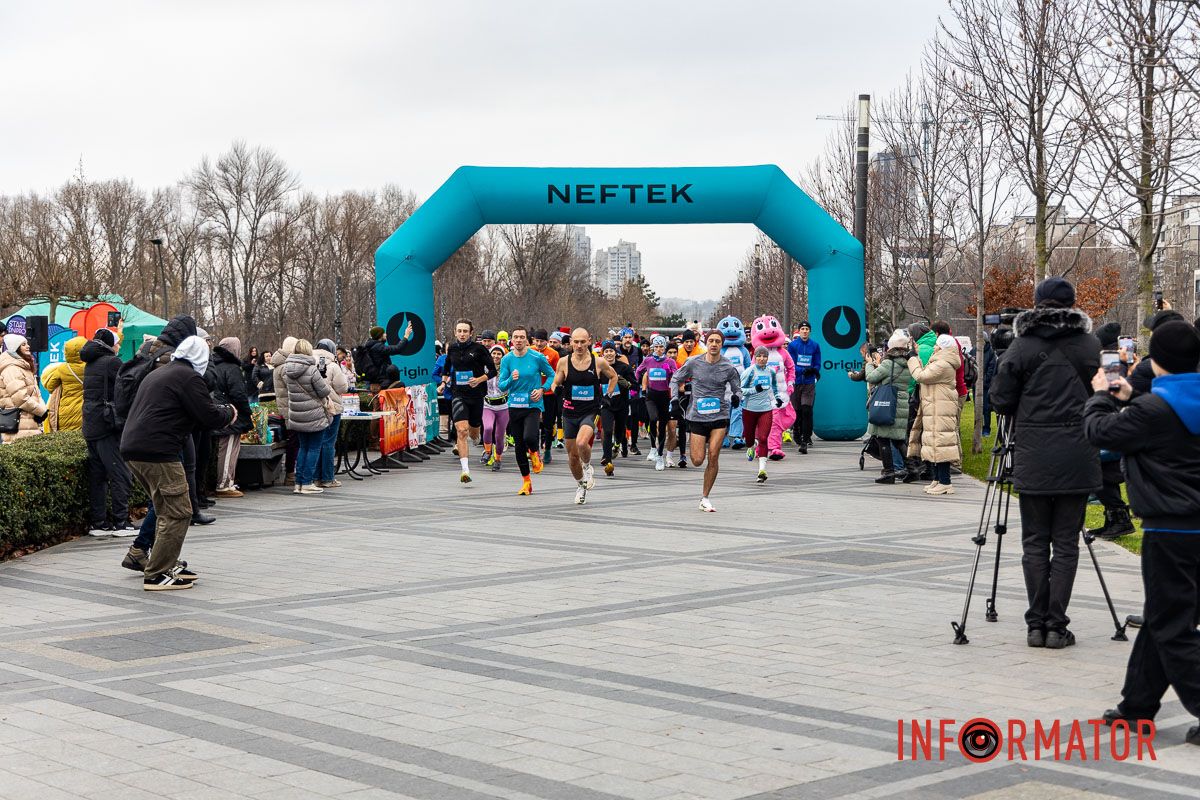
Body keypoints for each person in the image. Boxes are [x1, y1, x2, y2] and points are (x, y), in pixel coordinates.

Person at [1084, 320, 1200, 745]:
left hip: (1171, 527)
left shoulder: (1153, 412)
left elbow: (1099, 434)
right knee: (1165, 616)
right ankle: (1137, 707)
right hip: (1193, 525)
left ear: (1158, 362)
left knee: (1172, 626)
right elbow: (1164, 413)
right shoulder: (1166, 404)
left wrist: (1100, 395)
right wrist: (1131, 398)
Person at [990, 277, 1102, 649]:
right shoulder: (1091, 345)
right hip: (1078, 453)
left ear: (1037, 305)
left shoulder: (1021, 346)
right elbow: (1109, 395)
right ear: (1071, 305)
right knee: (1066, 542)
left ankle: (1036, 625)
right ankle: (1056, 625)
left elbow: (1000, 400)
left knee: (1035, 542)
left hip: (1034, 453)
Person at [120, 335, 235, 590]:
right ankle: (157, 573)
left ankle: (165, 563)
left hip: (135, 449)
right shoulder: (188, 377)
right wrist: (230, 412)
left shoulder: (161, 373)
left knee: (164, 509)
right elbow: (208, 414)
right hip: (159, 451)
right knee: (179, 511)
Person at [671, 331, 742, 511]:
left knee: (714, 455)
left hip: (720, 415)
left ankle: (705, 497)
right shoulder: (694, 363)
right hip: (698, 416)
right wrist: (673, 399)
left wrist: (736, 397)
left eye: (718, 341)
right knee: (697, 460)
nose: (714, 344)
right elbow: (675, 378)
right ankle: (695, 449)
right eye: (711, 341)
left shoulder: (728, 366)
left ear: (721, 345)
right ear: (705, 342)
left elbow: (737, 388)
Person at [548, 328, 618, 505]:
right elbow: (555, 382)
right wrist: (557, 390)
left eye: (582, 342)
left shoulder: (598, 362)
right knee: (572, 457)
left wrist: (608, 396)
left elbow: (614, 376)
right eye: (576, 342)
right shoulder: (564, 362)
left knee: (581, 443)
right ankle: (581, 485)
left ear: (589, 341)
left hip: (590, 410)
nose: (579, 345)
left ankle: (587, 466)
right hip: (569, 411)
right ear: (571, 342)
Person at [80, 328, 136, 536]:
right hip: (107, 424)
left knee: (98, 475)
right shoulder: (112, 362)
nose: (119, 346)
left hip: (91, 422)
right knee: (120, 472)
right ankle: (121, 522)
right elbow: (128, 384)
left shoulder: (90, 361)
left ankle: (99, 523)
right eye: (117, 342)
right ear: (110, 344)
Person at [498, 327, 556, 495]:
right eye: (515, 337)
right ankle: (526, 482)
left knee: (529, 437)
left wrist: (542, 389)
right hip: (514, 405)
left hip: (532, 404)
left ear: (527, 340)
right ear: (511, 340)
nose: (518, 340)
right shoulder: (507, 359)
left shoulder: (537, 357)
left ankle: (535, 452)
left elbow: (551, 375)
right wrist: (511, 379)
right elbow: (502, 385)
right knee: (518, 446)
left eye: (521, 337)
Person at [441, 319, 496, 483]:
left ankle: (477, 436)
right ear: (455, 332)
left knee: (473, 431)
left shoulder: (479, 349)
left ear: (471, 333)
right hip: (458, 394)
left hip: (477, 395)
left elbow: (492, 371)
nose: (462, 334)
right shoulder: (452, 348)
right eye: (459, 331)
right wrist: (443, 383)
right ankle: (465, 470)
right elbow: (446, 368)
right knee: (462, 430)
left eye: (465, 331)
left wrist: (479, 379)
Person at [907, 334, 961, 495]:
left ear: (942, 347)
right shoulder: (939, 361)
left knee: (941, 444)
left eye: (937, 345)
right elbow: (926, 373)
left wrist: (912, 359)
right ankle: (937, 479)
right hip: (935, 408)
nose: (934, 347)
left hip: (941, 409)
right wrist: (917, 356)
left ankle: (945, 482)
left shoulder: (943, 363)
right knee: (934, 444)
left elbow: (921, 376)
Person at [283, 339, 334, 495]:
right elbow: (324, 391)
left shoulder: (287, 369)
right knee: (314, 448)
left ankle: (298, 483)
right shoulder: (312, 370)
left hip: (297, 415)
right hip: (314, 415)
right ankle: (307, 483)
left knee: (303, 448)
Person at [866, 330, 913, 484]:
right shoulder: (909, 362)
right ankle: (913, 469)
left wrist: (869, 364)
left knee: (882, 438)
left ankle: (889, 472)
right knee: (898, 439)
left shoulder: (888, 363)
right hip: (901, 403)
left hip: (887, 403)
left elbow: (871, 377)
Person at [208, 337, 252, 498]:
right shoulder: (232, 368)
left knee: (222, 448)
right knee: (228, 449)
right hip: (231, 414)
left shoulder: (214, 365)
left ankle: (225, 482)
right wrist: (247, 411)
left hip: (218, 412)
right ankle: (224, 484)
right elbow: (238, 393)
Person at [740, 346, 787, 483]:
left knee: (763, 438)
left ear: (767, 358)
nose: (762, 359)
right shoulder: (749, 372)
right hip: (749, 409)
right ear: (755, 357)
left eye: (764, 356)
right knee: (749, 438)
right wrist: (755, 389)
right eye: (759, 356)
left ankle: (762, 470)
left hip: (766, 409)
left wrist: (777, 399)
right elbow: (741, 390)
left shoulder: (771, 372)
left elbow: (774, 388)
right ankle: (750, 446)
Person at [634, 335, 677, 471]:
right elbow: (638, 371)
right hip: (651, 396)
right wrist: (636, 384)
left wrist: (672, 374)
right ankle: (653, 447)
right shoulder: (648, 360)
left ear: (664, 348)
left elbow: (676, 376)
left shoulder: (670, 362)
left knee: (663, 425)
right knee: (653, 419)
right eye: (656, 347)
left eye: (661, 347)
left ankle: (660, 456)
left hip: (664, 396)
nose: (658, 349)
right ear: (653, 347)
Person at [314, 338, 349, 489]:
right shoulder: (333, 365)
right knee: (328, 443)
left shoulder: (311, 362)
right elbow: (342, 388)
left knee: (316, 444)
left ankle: (315, 477)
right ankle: (328, 478)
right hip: (332, 407)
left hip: (315, 408)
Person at [0, 334, 48, 443]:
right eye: (23, 344)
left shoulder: (23, 366)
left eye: (27, 343)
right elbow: (20, 398)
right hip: (19, 422)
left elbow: (36, 392)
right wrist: (41, 411)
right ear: (15, 348)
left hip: (28, 420)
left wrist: (42, 409)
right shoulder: (11, 368)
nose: (28, 346)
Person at [599, 340, 636, 475]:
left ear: (616, 353)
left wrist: (626, 383)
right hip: (606, 405)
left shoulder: (624, 368)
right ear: (603, 353)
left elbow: (635, 386)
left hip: (622, 405)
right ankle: (608, 462)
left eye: (611, 350)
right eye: (606, 351)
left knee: (620, 431)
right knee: (607, 431)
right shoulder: (599, 368)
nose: (609, 353)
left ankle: (617, 444)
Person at [40, 336, 87, 432]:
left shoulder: (62, 369)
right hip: (85, 412)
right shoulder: (91, 367)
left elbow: (50, 386)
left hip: (64, 413)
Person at [787, 322, 821, 452]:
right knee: (798, 412)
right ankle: (796, 431)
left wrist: (814, 370)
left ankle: (805, 439)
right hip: (796, 382)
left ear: (810, 331)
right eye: (802, 329)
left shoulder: (815, 346)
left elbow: (817, 363)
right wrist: (802, 370)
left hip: (809, 383)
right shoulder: (793, 346)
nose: (805, 331)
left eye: (807, 329)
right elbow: (790, 363)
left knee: (807, 410)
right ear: (799, 331)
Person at [270, 337, 299, 485]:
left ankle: (291, 472)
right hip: (291, 409)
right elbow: (296, 385)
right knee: (294, 443)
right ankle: (291, 473)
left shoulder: (279, 365)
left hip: (286, 408)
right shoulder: (285, 367)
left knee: (293, 442)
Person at [530, 328, 560, 463]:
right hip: (532, 392)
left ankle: (547, 449)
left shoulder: (553, 354)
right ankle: (534, 451)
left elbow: (556, 373)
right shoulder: (529, 351)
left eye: (542, 341)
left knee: (548, 423)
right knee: (533, 423)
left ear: (546, 342)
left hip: (548, 393)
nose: (539, 344)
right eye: (537, 341)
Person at [359, 322, 413, 392]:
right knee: (400, 385)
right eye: (384, 333)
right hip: (382, 381)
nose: (386, 335)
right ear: (380, 336)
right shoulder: (378, 347)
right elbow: (397, 349)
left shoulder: (370, 346)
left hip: (374, 381)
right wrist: (406, 336)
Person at [482, 344, 509, 472]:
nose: (496, 356)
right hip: (487, 404)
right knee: (488, 428)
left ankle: (498, 459)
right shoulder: (484, 368)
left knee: (499, 436)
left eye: (499, 354)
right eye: (494, 353)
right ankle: (487, 452)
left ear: (503, 356)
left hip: (503, 406)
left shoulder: (506, 369)